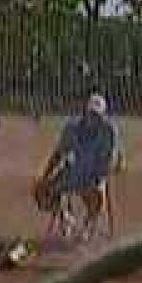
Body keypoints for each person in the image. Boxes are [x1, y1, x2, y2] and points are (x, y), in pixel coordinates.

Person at [34, 92, 120, 243]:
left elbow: (107, 161)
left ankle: (89, 224)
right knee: (43, 191)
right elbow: (59, 153)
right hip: (73, 170)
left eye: (98, 115)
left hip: (94, 173)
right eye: (91, 114)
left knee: (96, 194)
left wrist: (95, 180)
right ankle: (66, 217)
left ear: (103, 116)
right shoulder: (71, 128)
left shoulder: (109, 131)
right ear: (85, 112)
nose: (94, 118)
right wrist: (45, 176)